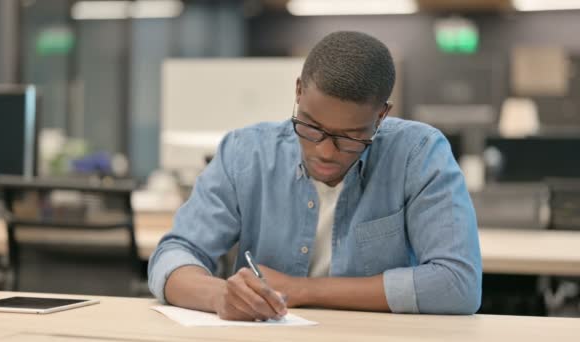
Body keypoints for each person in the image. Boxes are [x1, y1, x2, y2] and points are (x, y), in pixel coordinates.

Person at [148, 31, 482, 320]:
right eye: (310, 127)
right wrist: (220, 296)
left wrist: (303, 290)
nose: (324, 151)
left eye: (349, 137)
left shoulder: (418, 154)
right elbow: (174, 255)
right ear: (298, 92)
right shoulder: (245, 153)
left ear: (381, 116)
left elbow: (458, 284)